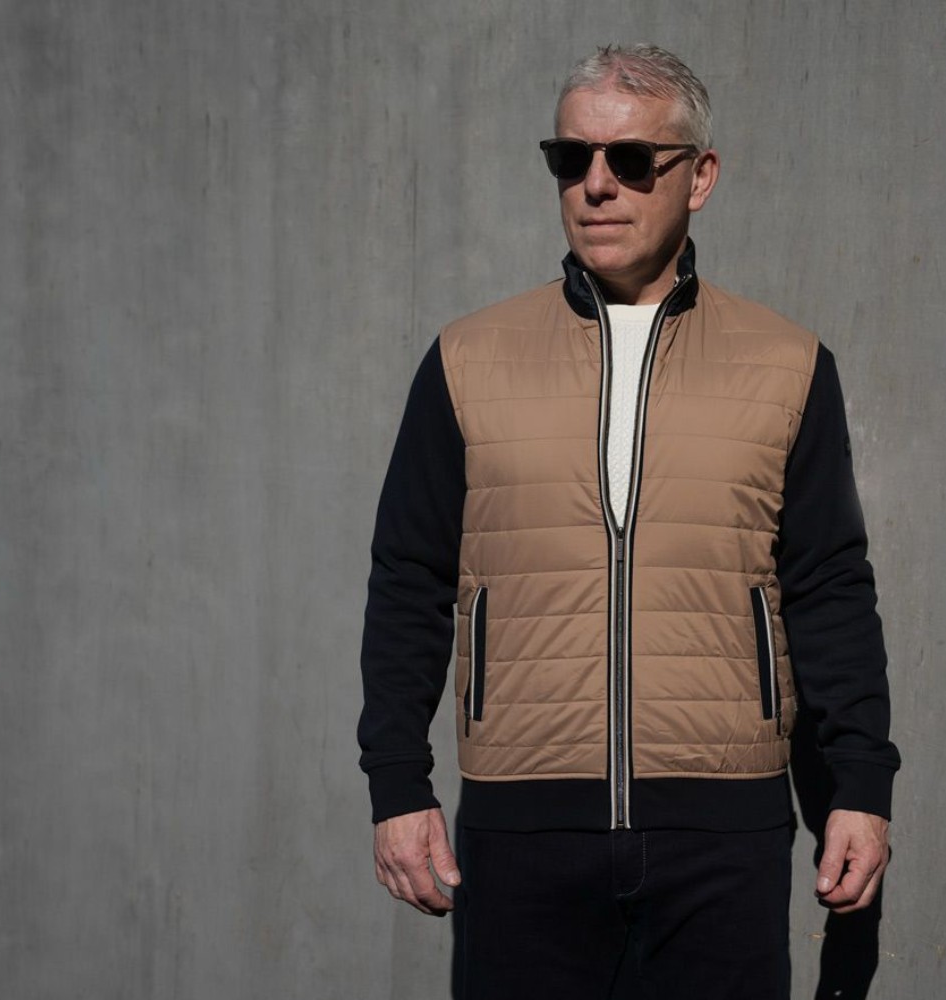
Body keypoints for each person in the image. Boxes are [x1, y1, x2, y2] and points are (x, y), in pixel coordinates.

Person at [357, 43, 900, 999]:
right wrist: (398, 784)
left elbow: (828, 589)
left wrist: (858, 786)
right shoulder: (468, 360)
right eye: (572, 158)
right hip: (522, 833)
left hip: (722, 837)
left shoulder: (786, 365)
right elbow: (410, 579)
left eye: (632, 159)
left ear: (700, 177)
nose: (597, 185)